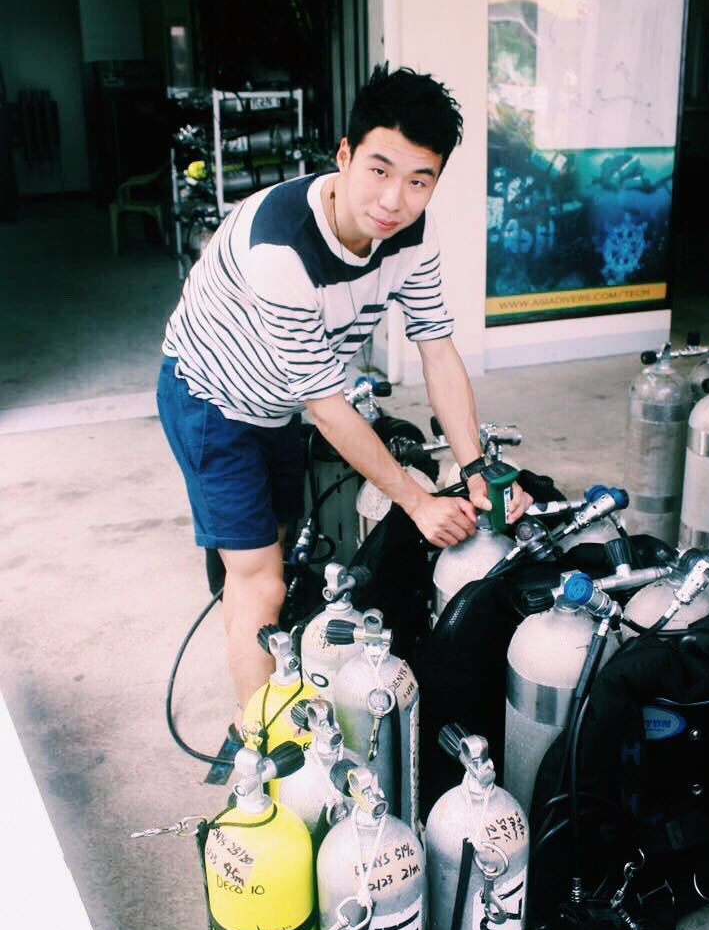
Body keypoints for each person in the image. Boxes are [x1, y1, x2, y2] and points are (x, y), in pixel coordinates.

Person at [157, 64, 532, 755]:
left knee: (271, 555)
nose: (394, 200)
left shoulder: (413, 235)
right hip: (211, 397)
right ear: (344, 154)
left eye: (419, 180)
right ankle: (266, 750)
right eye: (379, 170)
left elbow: (437, 351)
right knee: (260, 580)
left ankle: (254, 639)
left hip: (277, 403)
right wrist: (417, 502)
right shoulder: (281, 246)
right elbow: (327, 407)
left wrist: (475, 466)